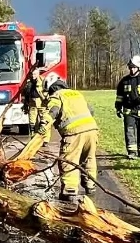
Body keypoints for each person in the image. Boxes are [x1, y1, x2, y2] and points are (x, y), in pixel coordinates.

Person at [41, 72, 99, 213]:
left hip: (74, 133)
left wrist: (43, 125)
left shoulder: (57, 96)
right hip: (92, 130)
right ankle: (90, 186)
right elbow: (91, 110)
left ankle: (70, 191)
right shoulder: (76, 94)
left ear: (51, 87)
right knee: (89, 159)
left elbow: (53, 111)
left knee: (69, 160)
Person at [20, 65, 47, 133]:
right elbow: (26, 95)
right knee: (32, 122)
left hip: (42, 103)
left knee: (44, 120)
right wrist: (25, 105)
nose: (33, 76)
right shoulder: (28, 83)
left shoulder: (43, 81)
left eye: (35, 74)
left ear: (38, 74)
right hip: (32, 103)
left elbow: (47, 92)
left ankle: (43, 136)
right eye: (32, 74)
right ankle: (33, 136)